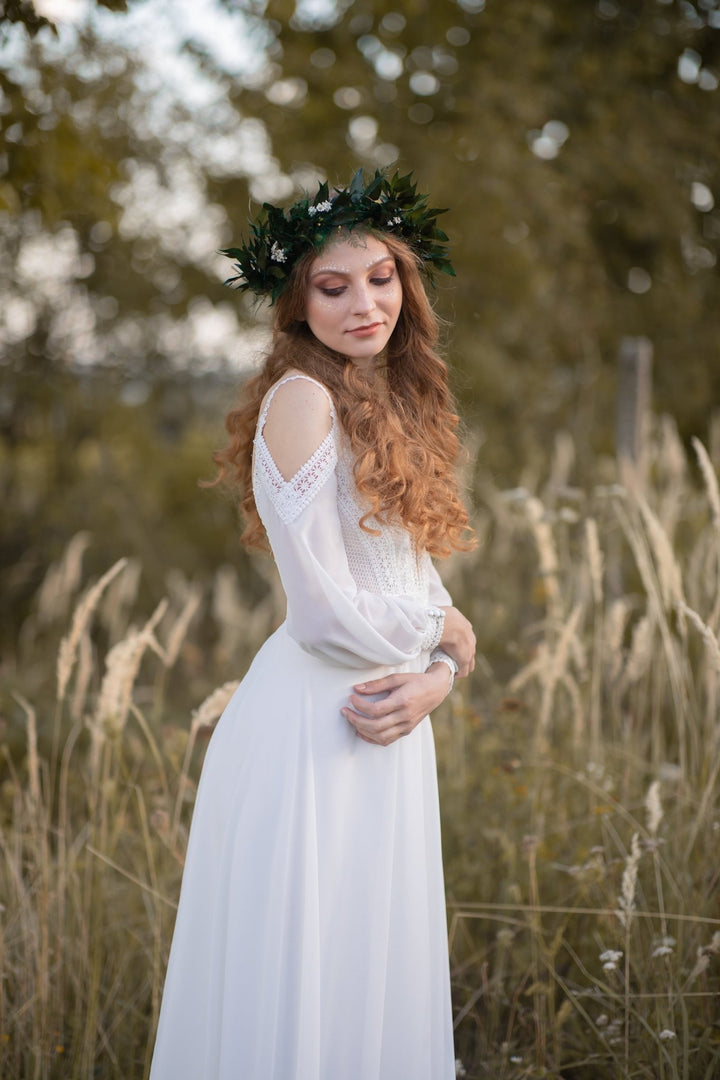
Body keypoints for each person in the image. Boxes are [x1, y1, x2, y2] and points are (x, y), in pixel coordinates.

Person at [149, 169, 477, 1080]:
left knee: (368, 974)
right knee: (307, 969)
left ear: (407, 284)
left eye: (380, 279)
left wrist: (440, 675)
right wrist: (441, 652)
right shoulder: (305, 399)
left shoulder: (392, 395)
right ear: (297, 306)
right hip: (319, 726)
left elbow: (404, 575)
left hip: (387, 713)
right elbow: (326, 611)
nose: (363, 303)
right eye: (332, 288)